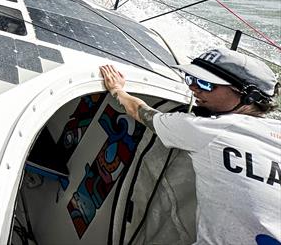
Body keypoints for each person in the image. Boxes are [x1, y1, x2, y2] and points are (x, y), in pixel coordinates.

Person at [100, 48, 280, 245]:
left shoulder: (204, 129)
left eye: (206, 83)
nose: (194, 89)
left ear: (248, 96)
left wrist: (117, 90)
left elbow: (139, 111)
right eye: (190, 78)